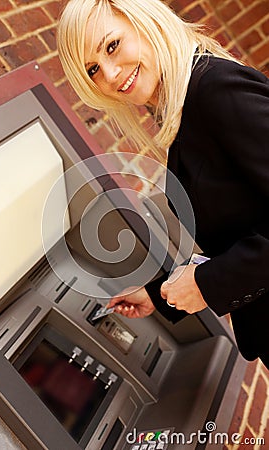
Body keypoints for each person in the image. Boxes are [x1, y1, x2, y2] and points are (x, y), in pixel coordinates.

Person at [57, 0, 269, 369]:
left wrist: (207, 283)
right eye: (93, 69)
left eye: (112, 45)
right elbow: (244, 225)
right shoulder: (186, 111)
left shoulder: (215, 90)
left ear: (145, 21)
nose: (109, 74)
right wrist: (159, 295)